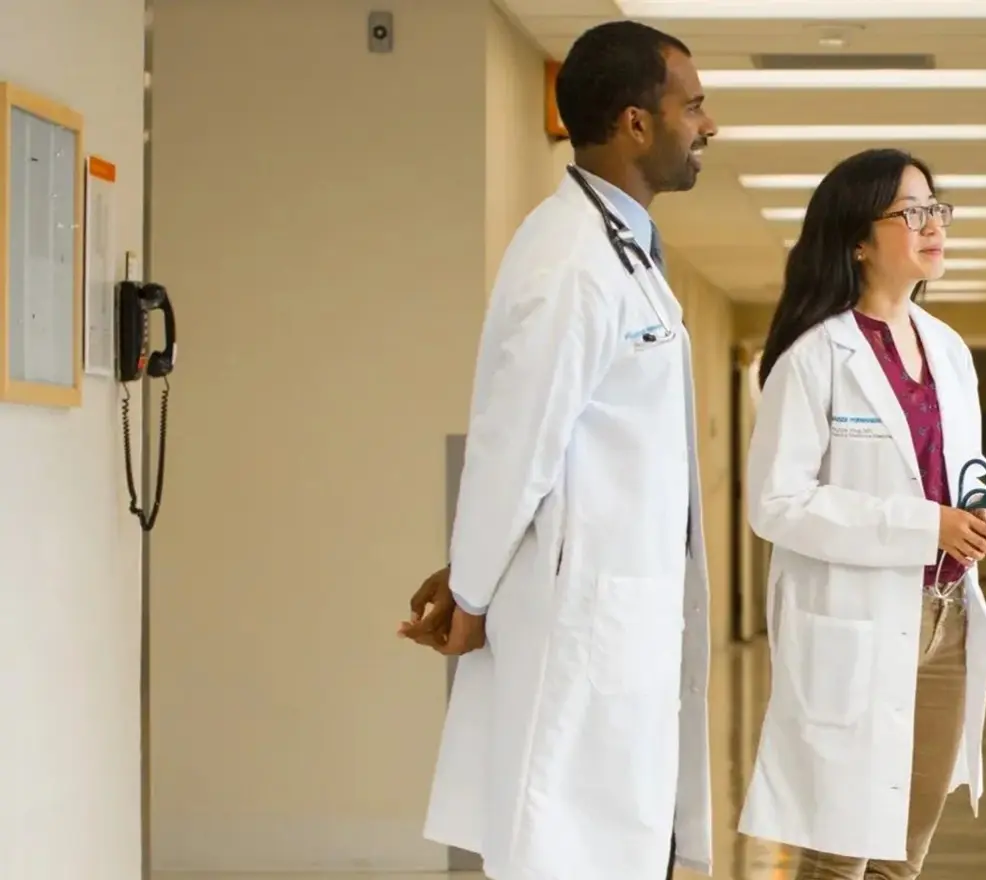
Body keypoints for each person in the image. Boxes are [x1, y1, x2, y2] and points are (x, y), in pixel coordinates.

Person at [395, 20, 718, 880]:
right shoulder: (573, 260)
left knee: (608, 845)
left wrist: (471, 573)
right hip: (583, 630)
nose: (708, 126)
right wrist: (469, 585)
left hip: (615, 621)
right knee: (566, 848)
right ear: (635, 123)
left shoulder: (619, 254)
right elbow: (516, 441)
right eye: (692, 106)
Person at [737, 147, 986, 880]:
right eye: (910, 211)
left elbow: (951, 476)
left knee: (907, 847)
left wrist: (984, 516)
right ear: (858, 240)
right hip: (857, 620)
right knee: (841, 848)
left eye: (935, 209)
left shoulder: (951, 352)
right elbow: (776, 502)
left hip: (948, 617)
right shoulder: (813, 357)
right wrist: (928, 524)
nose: (933, 224)